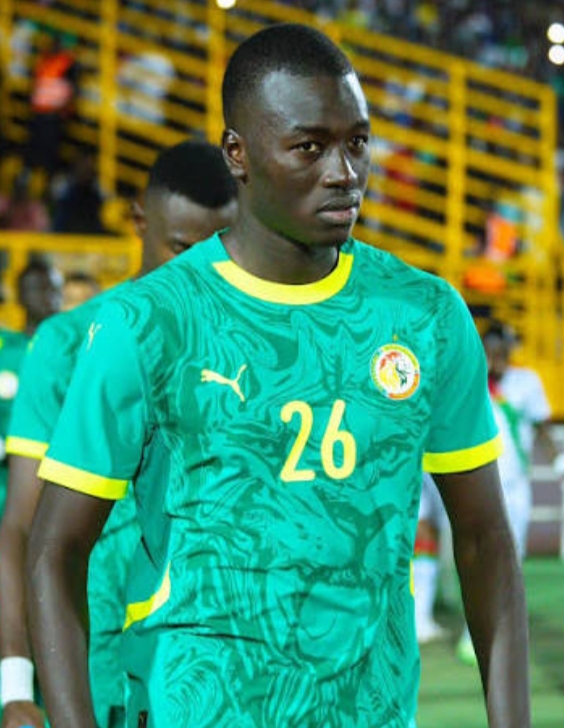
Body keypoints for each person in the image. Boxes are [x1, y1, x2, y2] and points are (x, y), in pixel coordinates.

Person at [28, 24, 530, 728]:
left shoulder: (426, 317)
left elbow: (483, 540)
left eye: (358, 142)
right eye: (310, 147)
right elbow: (54, 552)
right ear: (238, 153)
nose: (344, 172)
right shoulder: (148, 322)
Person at [0, 140, 238, 728]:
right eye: (180, 247)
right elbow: (23, 525)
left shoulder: (249, 349)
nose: (198, 269)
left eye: (219, 248)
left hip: (224, 665)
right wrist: (15, 684)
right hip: (100, 671)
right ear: (139, 221)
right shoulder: (67, 343)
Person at [0, 258, 62, 518]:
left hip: (55, 477)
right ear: (21, 296)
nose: (49, 296)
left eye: (54, 288)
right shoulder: (5, 349)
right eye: (39, 288)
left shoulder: (75, 351)